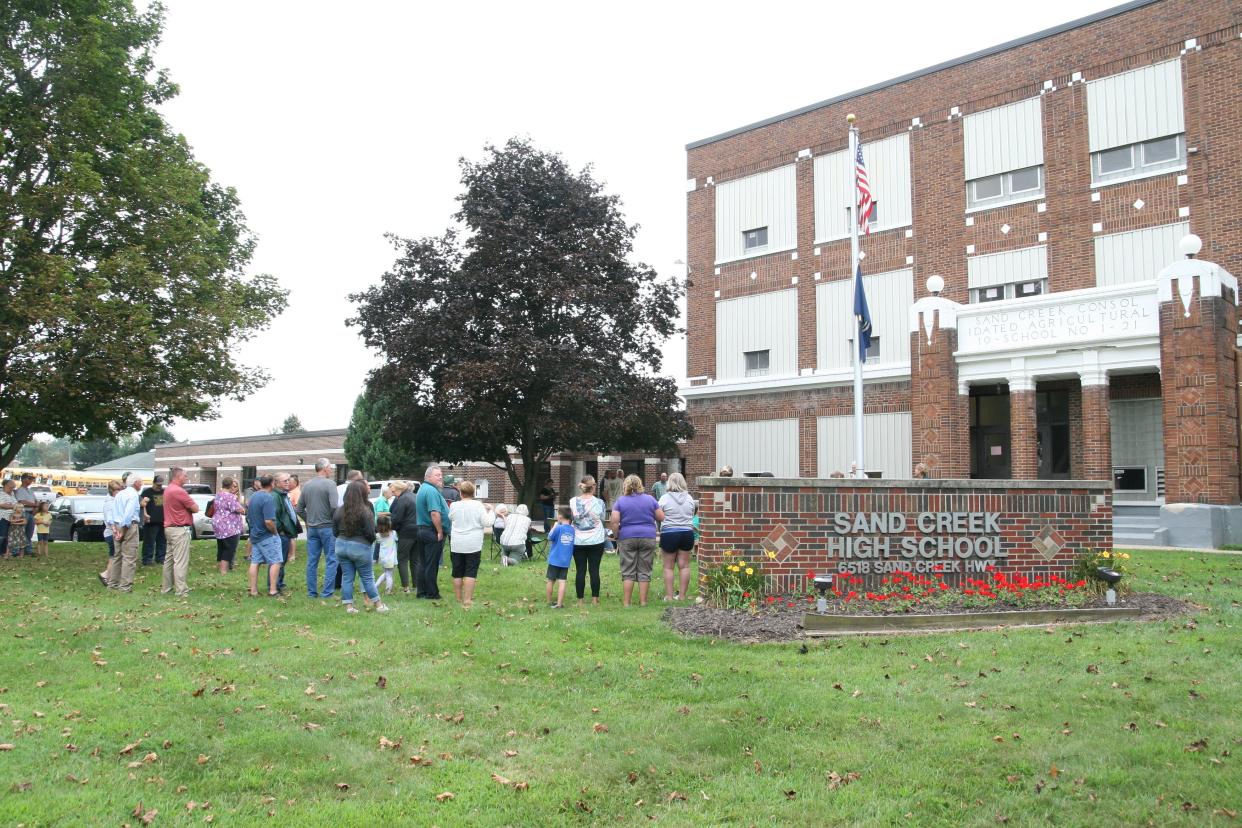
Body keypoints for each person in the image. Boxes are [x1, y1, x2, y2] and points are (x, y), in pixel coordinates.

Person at [334, 479, 388, 613]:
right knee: (367, 577)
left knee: (347, 577)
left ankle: (349, 607)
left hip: (340, 545)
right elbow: (370, 532)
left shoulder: (339, 511)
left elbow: (334, 531)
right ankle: (379, 605)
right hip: (360, 546)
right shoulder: (366, 511)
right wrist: (368, 543)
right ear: (363, 493)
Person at [610, 474, 664, 607]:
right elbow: (661, 517)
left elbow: (615, 522)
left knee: (628, 570)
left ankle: (627, 603)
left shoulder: (620, 501)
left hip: (627, 536)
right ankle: (643, 602)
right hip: (647, 536)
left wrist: (616, 535)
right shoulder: (650, 499)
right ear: (640, 485)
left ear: (625, 486)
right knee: (644, 569)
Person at [296, 458, 340, 599]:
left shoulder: (307, 485)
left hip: (313, 528)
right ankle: (327, 593)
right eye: (330, 467)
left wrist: (309, 520)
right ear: (325, 468)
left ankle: (311, 592)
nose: (331, 470)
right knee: (331, 560)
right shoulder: (330, 484)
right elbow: (334, 506)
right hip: (327, 527)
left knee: (312, 561)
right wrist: (334, 519)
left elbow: (299, 508)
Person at [448, 480, 488, 608]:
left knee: (457, 571)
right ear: (473, 492)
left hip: (457, 542)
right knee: (471, 571)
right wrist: (490, 511)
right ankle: (467, 599)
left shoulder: (454, 506)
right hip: (473, 543)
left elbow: (451, 518)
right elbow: (487, 522)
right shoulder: (478, 505)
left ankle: (459, 598)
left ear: (460, 493)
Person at [658, 473, 697, 601]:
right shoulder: (690, 498)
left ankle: (669, 596)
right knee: (684, 566)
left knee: (668, 567)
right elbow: (692, 513)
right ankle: (682, 596)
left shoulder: (664, 498)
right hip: (687, 533)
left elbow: (659, 515)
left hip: (669, 533)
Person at [569, 475, 607, 606]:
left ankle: (580, 601)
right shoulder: (600, 502)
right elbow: (602, 518)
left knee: (580, 570)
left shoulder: (573, 501)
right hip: (596, 539)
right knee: (594, 570)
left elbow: (572, 517)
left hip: (578, 540)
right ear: (594, 487)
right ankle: (595, 600)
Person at [161, 467, 199, 598]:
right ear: (178, 477)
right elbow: (195, 508)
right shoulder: (179, 491)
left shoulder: (168, 489)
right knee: (180, 561)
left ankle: (166, 588)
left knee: (169, 560)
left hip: (169, 528)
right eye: (185, 476)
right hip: (179, 529)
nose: (187, 478)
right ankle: (181, 590)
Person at [414, 465, 450, 600]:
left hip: (422, 530)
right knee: (431, 564)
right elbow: (434, 513)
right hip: (431, 531)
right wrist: (440, 531)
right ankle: (432, 593)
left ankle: (421, 592)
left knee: (423, 563)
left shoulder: (423, 488)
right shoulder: (431, 491)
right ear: (428, 476)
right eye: (437, 475)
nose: (440, 477)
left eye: (441, 474)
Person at [104, 473, 145, 592]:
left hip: (116, 525)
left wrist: (115, 528)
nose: (141, 484)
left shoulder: (120, 494)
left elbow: (113, 512)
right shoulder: (133, 496)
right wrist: (123, 529)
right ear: (135, 483)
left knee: (117, 556)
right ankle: (125, 586)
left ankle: (112, 584)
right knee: (129, 557)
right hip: (128, 526)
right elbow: (128, 514)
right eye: (140, 481)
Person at [246, 475, 281, 597]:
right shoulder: (268, 498)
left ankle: (253, 591)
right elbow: (269, 521)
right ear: (272, 484)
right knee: (276, 561)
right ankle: (273, 590)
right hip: (266, 535)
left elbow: (248, 515)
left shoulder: (253, 496)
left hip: (255, 534)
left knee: (255, 562)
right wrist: (275, 532)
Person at [387, 481, 418, 593]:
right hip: (418, 530)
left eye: (394, 491)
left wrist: (391, 528)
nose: (393, 494)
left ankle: (406, 587)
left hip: (406, 532)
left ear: (399, 489)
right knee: (415, 560)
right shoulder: (415, 496)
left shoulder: (402, 499)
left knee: (402, 559)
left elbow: (397, 518)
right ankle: (416, 586)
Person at [272, 473, 301, 595]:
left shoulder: (284, 495)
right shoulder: (275, 496)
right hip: (281, 533)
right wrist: (281, 530)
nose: (288, 482)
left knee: (282, 561)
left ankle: (280, 583)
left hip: (287, 533)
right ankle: (275, 585)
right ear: (276, 483)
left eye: (288, 480)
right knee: (278, 560)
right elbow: (275, 516)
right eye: (284, 481)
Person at [211, 477, 246, 574]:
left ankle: (220, 568)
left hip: (218, 525)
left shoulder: (218, 495)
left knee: (221, 547)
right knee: (229, 549)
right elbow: (239, 509)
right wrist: (244, 510)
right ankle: (223, 571)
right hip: (229, 527)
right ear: (230, 485)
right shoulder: (230, 497)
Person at [545, 506, 575, 609]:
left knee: (551, 580)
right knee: (562, 581)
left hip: (554, 560)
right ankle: (559, 603)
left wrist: (554, 526)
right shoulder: (572, 529)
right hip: (565, 560)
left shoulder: (558, 528)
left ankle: (549, 601)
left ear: (560, 516)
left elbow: (549, 537)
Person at [96, 480, 123, 584]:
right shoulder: (110, 503)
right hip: (111, 533)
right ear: (112, 491)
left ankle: (111, 576)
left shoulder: (115, 501)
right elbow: (110, 519)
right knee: (114, 556)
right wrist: (115, 531)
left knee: (115, 556)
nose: (120, 492)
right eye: (118, 490)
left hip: (113, 531)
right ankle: (106, 575)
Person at [140, 474, 167, 566]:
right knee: (149, 542)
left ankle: (160, 558)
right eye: (157, 485)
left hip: (163, 521)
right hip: (151, 522)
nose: (159, 487)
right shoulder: (147, 492)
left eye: (161, 485)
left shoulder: (164, 492)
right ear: (153, 483)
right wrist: (145, 516)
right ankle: (147, 559)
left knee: (162, 541)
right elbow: (142, 506)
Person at [5, 481, 31, 559]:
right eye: (18, 508)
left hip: (21, 531)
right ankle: (7, 554)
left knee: (21, 543)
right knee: (10, 542)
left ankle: (21, 555)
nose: (19, 509)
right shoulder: (12, 514)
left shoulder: (23, 515)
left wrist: (16, 522)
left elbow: (25, 521)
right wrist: (19, 522)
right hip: (13, 530)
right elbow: (11, 521)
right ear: (15, 508)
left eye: (21, 508)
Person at [373, 513, 398, 595]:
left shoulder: (378, 535)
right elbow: (396, 539)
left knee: (386, 573)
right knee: (389, 575)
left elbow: (377, 542)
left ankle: (375, 586)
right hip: (391, 558)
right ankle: (388, 590)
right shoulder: (393, 533)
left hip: (383, 558)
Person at [14, 473, 37, 548]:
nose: (31, 480)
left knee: (29, 532)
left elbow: (35, 501)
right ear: (23, 479)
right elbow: (22, 502)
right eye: (29, 478)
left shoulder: (30, 490)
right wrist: (35, 505)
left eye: (32, 479)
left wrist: (35, 508)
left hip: (31, 513)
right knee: (22, 532)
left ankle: (28, 550)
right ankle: (20, 550)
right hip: (24, 513)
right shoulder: (19, 490)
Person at [0, 479, 16, 558]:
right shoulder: (1, 493)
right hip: (3, 517)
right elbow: (2, 505)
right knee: (2, 535)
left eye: (13, 488)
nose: (12, 489)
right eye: (11, 487)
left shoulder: (12, 493)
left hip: (12, 518)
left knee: (8, 536)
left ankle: (5, 552)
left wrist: (13, 506)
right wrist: (13, 506)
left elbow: (15, 503)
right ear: (6, 485)